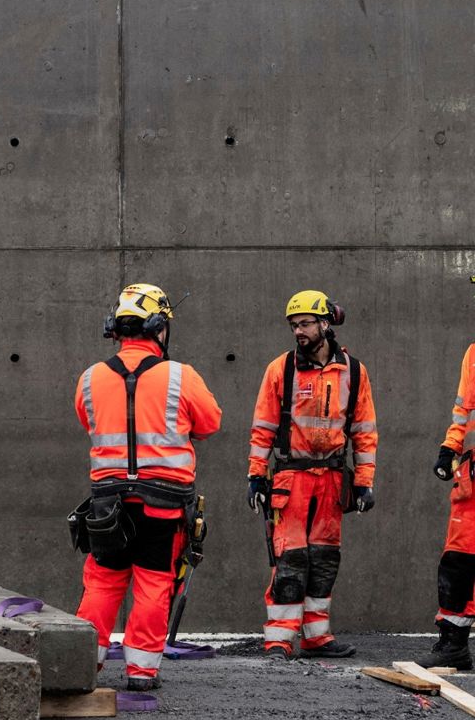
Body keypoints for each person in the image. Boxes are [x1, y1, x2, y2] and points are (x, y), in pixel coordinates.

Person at [74, 283, 222, 691]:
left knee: (103, 580)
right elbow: (210, 424)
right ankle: (141, 670)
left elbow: (89, 422)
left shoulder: (90, 378)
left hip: (108, 506)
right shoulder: (182, 377)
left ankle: (83, 666)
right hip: (163, 504)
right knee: (154, 582)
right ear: (159, 328)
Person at [247, 290, 377, 660]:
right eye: (293, 325)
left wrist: (364, 481)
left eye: (304, 323)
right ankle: (279, 638)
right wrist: (256, 476)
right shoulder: (281, 369)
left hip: (333, 480)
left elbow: (364, 431)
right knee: (290, 559)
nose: (298, 332)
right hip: (291, 479)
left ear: (325, 323)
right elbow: (263, 428)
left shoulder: (353, 371)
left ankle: (316, 635)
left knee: (324, 559)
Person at [414, 344, 475, 670]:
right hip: (470, 481)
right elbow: (464, 411)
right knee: (458, 563)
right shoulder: (473, 353)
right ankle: (453, 644)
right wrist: (449, 447)